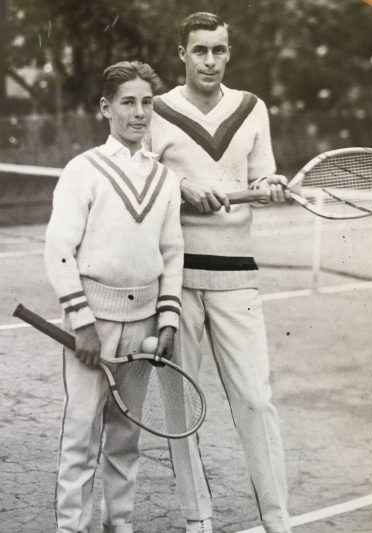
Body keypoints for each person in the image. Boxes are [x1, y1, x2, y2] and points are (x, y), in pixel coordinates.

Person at [145, 12, 292, 533]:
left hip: (237, 275)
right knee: (181, 404)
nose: (210, 60)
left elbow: (263, 174)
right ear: (181, 53)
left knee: (255, 398)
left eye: (219, 50)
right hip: (174, 277)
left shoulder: (252, 108)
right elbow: (139, 177)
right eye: (200, 50)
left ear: (229, 53)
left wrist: (271, 184)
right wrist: (179, 185)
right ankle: (196, 519)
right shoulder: (156, 110)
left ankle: (278, 520)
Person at [45, 60, 184, 533]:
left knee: (126, 437)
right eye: (128, 102)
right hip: (92, 323)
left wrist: (167, 319)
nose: (139, 113)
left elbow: (171, 250)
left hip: (144, 324)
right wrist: (81, 322)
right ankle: (72, 527)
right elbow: (59, 248)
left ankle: (118, 523)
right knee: (82, 434)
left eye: (147, 103)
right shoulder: (83, 169)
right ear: (107, 108)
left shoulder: (164, 178)